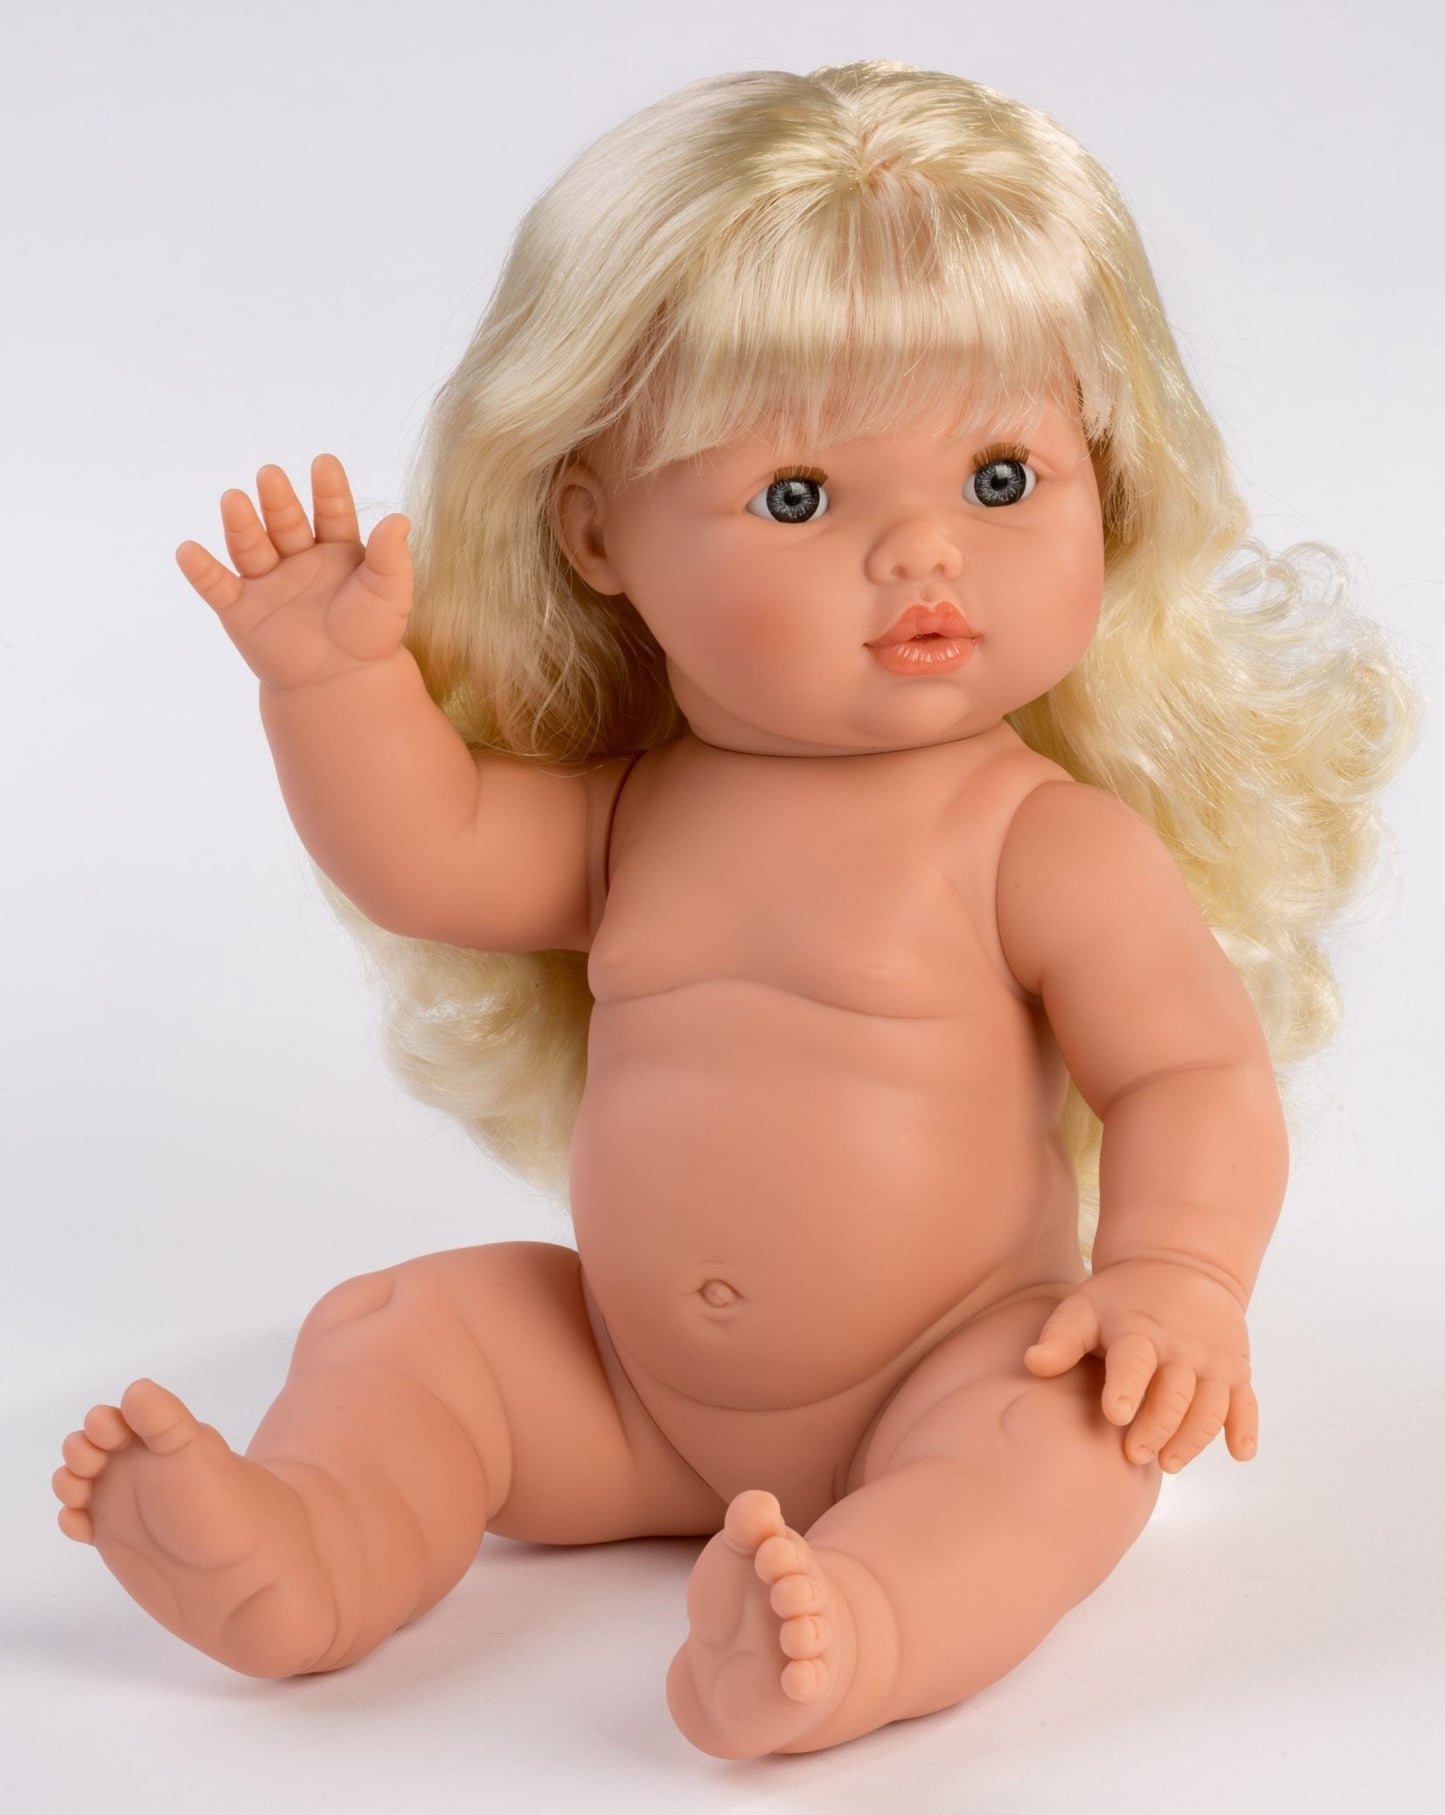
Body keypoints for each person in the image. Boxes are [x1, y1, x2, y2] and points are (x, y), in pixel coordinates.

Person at [51, 61, 1420, 1759]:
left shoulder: (1038, 845)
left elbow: (1188, 1076)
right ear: (596, 536)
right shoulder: (637, 814)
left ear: (1110, 480)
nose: (922, 555)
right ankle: (311, 1545)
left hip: (940, 1370)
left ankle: (862, 1627)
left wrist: (1176, 1275)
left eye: (1000, 480)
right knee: (408, 1329)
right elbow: (429, 853)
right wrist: (331, 684)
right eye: (798, 497)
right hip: (625, 1388)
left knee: (1067, 1440)